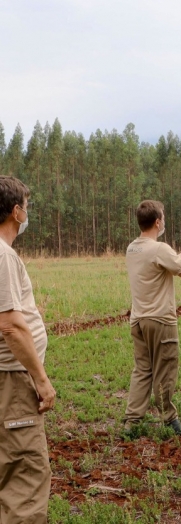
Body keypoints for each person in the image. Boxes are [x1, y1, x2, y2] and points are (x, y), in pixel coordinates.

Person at [123, 200, 181, 435]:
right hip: (161, 321)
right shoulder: (159, 248)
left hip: (139, 320)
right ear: (157, 221)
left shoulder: (133, 247)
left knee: (142, 370)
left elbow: (154, 266)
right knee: (165, 370)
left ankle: (132, 422)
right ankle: (169, 419)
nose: (164, 221)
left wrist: (180, 256)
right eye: (163, 217)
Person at [0, 176, 56, 523]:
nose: (28, 212)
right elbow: (10, 325)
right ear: (16, 212)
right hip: (12, 379)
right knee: (26, 476)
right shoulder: (3, 256)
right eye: (27, 205)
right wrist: (41, 379)